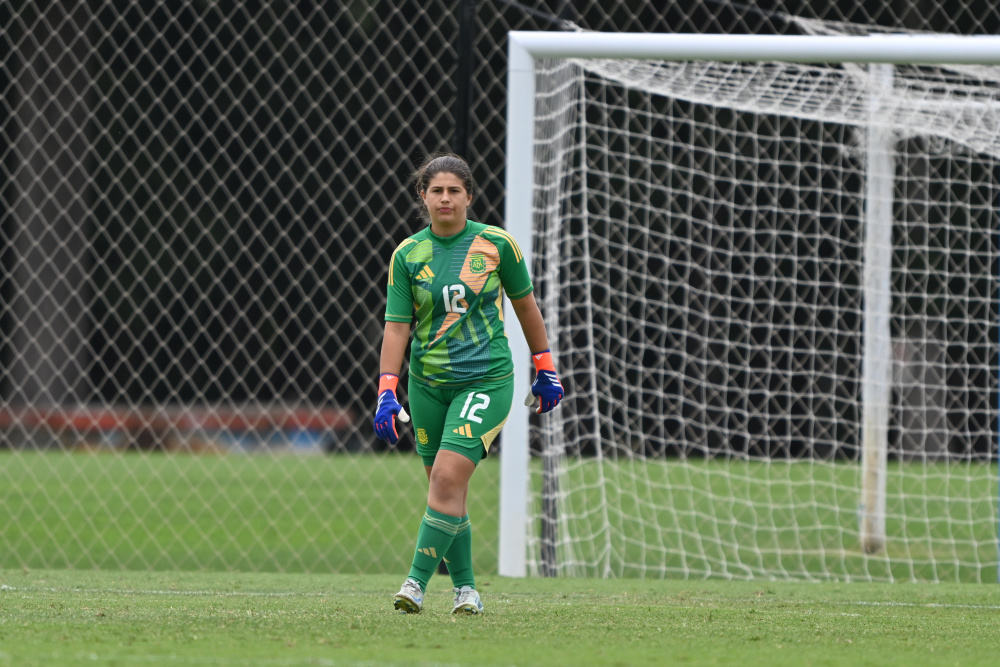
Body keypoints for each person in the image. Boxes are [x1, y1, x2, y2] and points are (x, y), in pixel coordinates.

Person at [373, 153, 563, 615]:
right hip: (427, 386)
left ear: (469, 197)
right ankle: (467, 591)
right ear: (423, 196)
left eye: (454, 190)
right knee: (446, 492)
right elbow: (397, 328)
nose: (445, 198)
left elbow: (526, 308)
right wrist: (386, 390)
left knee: (445, 477)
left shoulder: (497, 246)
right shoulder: (407, 254)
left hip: (486, 381)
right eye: (436, 190)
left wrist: (546, 367)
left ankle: (415, 584)